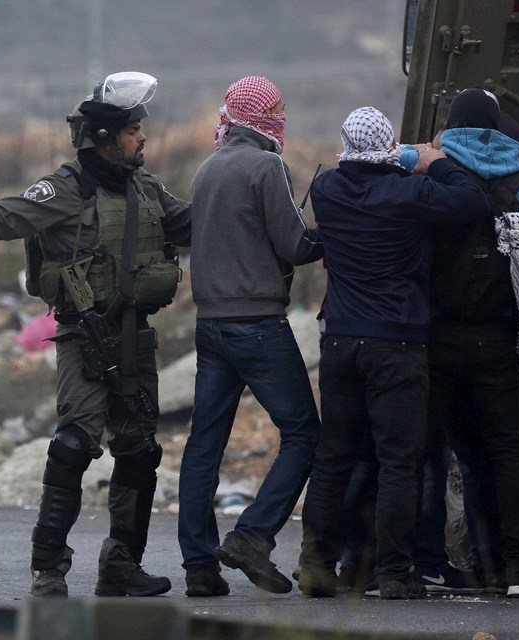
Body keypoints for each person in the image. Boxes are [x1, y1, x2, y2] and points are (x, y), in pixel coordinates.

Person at [0, 71, 191, 598]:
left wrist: (245, 206)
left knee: (139, 451)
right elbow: (6, 214)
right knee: (73, 445)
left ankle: (121, 566)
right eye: (134, 130)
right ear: (108, 138)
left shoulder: (146, 187)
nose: (143, 138)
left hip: (136, 337)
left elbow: (191, 224)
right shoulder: (66, 188)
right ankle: (48, 568)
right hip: (84, 337)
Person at [296, 106, 490, 600]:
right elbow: (471, 201)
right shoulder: (411, 192)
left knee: (334, 455)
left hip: (340, 341)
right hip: (397, 342)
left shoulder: (327, 190)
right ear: (388, 146)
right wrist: (431, 159)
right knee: (399, 460)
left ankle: (317, 564)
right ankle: (395, 573)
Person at [177, 75, 322, 597]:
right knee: (306, 434)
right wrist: (334, 228)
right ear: (263, 117)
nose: (281, 116)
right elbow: (295, 245)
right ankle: (253, 535)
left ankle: (198, 566)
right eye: (277, 108)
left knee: (204, 445)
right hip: (258, 325)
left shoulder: (207, 167)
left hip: (210, 326)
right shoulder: (268, 165)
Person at [423, 88, 519, 598]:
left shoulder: (438, 175)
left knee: (450, 453)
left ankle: (467, 562)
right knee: (508, 450)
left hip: (441, 337)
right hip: (500, 337)